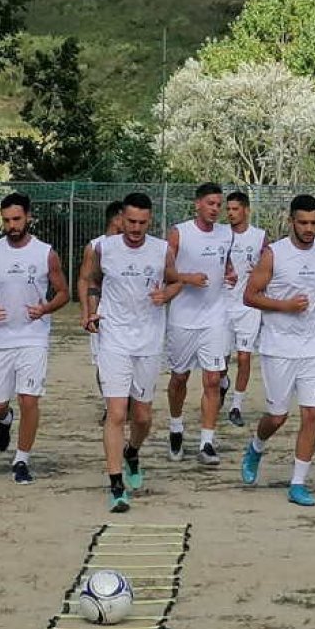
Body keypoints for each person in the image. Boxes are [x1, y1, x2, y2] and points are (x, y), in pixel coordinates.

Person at [240, 194, 315, 507]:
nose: (309, 228)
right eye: (303, 223)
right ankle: (256, 446)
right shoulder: (273, 254)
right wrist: (285, 305)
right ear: (291, 222)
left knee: (311, 414)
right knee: (278, 416)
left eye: (314, 223)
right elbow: (250, 296)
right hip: (279, 346)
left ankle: (298, 483)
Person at [83, 192, 175, 512]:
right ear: (121, 219)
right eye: (131, 221)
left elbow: (176, 282)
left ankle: (132, 451)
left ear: (150, 221)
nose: (136, 228)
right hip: (114, 338)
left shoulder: (162, 250)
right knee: (117, 413)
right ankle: (116, 485)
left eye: (142, 222)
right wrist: (90, 311)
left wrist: (167, 293)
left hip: (149, 340)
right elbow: (93, 282)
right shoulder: (104, 249)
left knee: (142, 416)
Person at [0, 193, 70, 484]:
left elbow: (64, 293)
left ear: (28, 217)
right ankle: (4, 419)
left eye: (16, 219)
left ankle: (21, 460)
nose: (12, 225)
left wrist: (45, 308)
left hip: (32, 337)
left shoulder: (45, 253)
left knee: (29, 399)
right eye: (6, 220)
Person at [164, 183, 233, 465]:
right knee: (180, 377)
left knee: (213, 379)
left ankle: (207, 442)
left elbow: (226, 265)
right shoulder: (180, 233)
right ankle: (176, 427)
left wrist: (231, 273)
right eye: (210, 203)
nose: (215, 209)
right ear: (198, 204)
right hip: (183, 316)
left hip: (215, 316)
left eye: (219, 205)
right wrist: (187, 278)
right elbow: (165, 271)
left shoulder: (226, 234)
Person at [221, 191, 267, 427]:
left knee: (244, 356)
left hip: (248, 306)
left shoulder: (259, 237)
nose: (230, 213)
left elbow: (270, 268)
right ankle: (222, 383)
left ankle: (236, 406)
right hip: (222, 305)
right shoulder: (219, 236)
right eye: (228, 209)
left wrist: (260, 274)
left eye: (235, 209)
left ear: (246, 210)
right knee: (220, 359)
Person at [79, 200, 124, 391]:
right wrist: (87, 312)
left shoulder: (136, 246)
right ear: (117, 219)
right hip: (103, 311)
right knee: (103, 360)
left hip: (128, 312)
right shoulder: (96, 246)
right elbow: (84, 280)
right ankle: (109, 404)